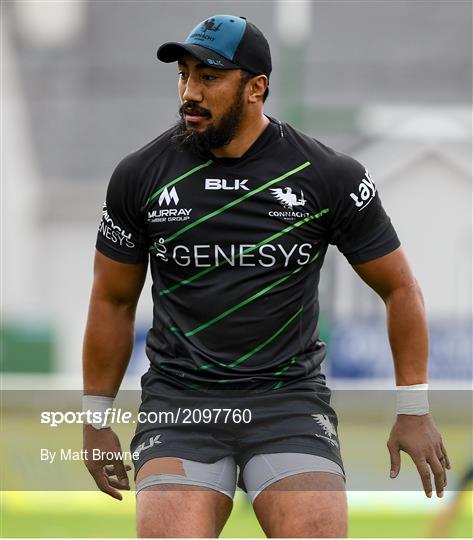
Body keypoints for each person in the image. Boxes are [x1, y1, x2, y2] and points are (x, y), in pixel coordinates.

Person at [82, 14, 450, 538]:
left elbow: (399, 287)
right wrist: (96, 419)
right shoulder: (140, 176)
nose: (190, 91)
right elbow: (112, 301)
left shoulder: (327, 176)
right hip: (181, 404)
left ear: (256, 88)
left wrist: (413, 408)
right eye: (184, 75)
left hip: (287, 403)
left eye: (209, 77)